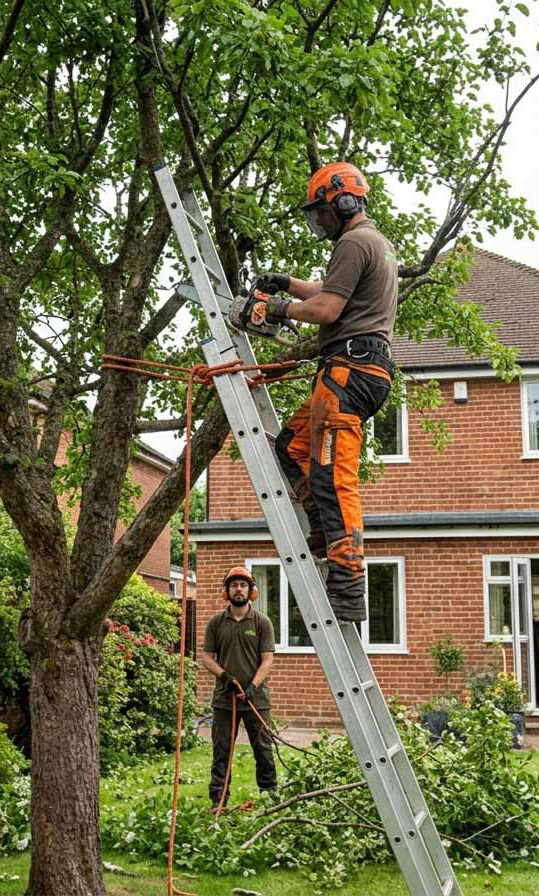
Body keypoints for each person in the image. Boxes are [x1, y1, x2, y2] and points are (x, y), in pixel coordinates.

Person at [237, 161, 398, 623]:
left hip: (350, 371)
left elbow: (327, 309)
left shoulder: (353, 241)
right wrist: (283, 284)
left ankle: (347, 584)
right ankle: (324, 536)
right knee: (292, 448)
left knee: (332, 476)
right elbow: (330, 290)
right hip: (352, 370)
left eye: (322, 211)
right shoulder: (372, 243)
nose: (320, 222)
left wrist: (271, 309)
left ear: (343, 201)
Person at [200, 566, 276, 807]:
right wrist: (225, 678)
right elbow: (206, 657)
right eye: (234, 585)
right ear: (227, 591)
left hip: (256, 700)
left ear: (251, 591)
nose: (239, 589)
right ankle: (218, 801)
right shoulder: (216, 623)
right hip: (225, 700)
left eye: (243, 585)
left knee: (263, 749)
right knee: (221, 752)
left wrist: (252, 686)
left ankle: (270, 795)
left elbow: (267, 660)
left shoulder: (262, 622)